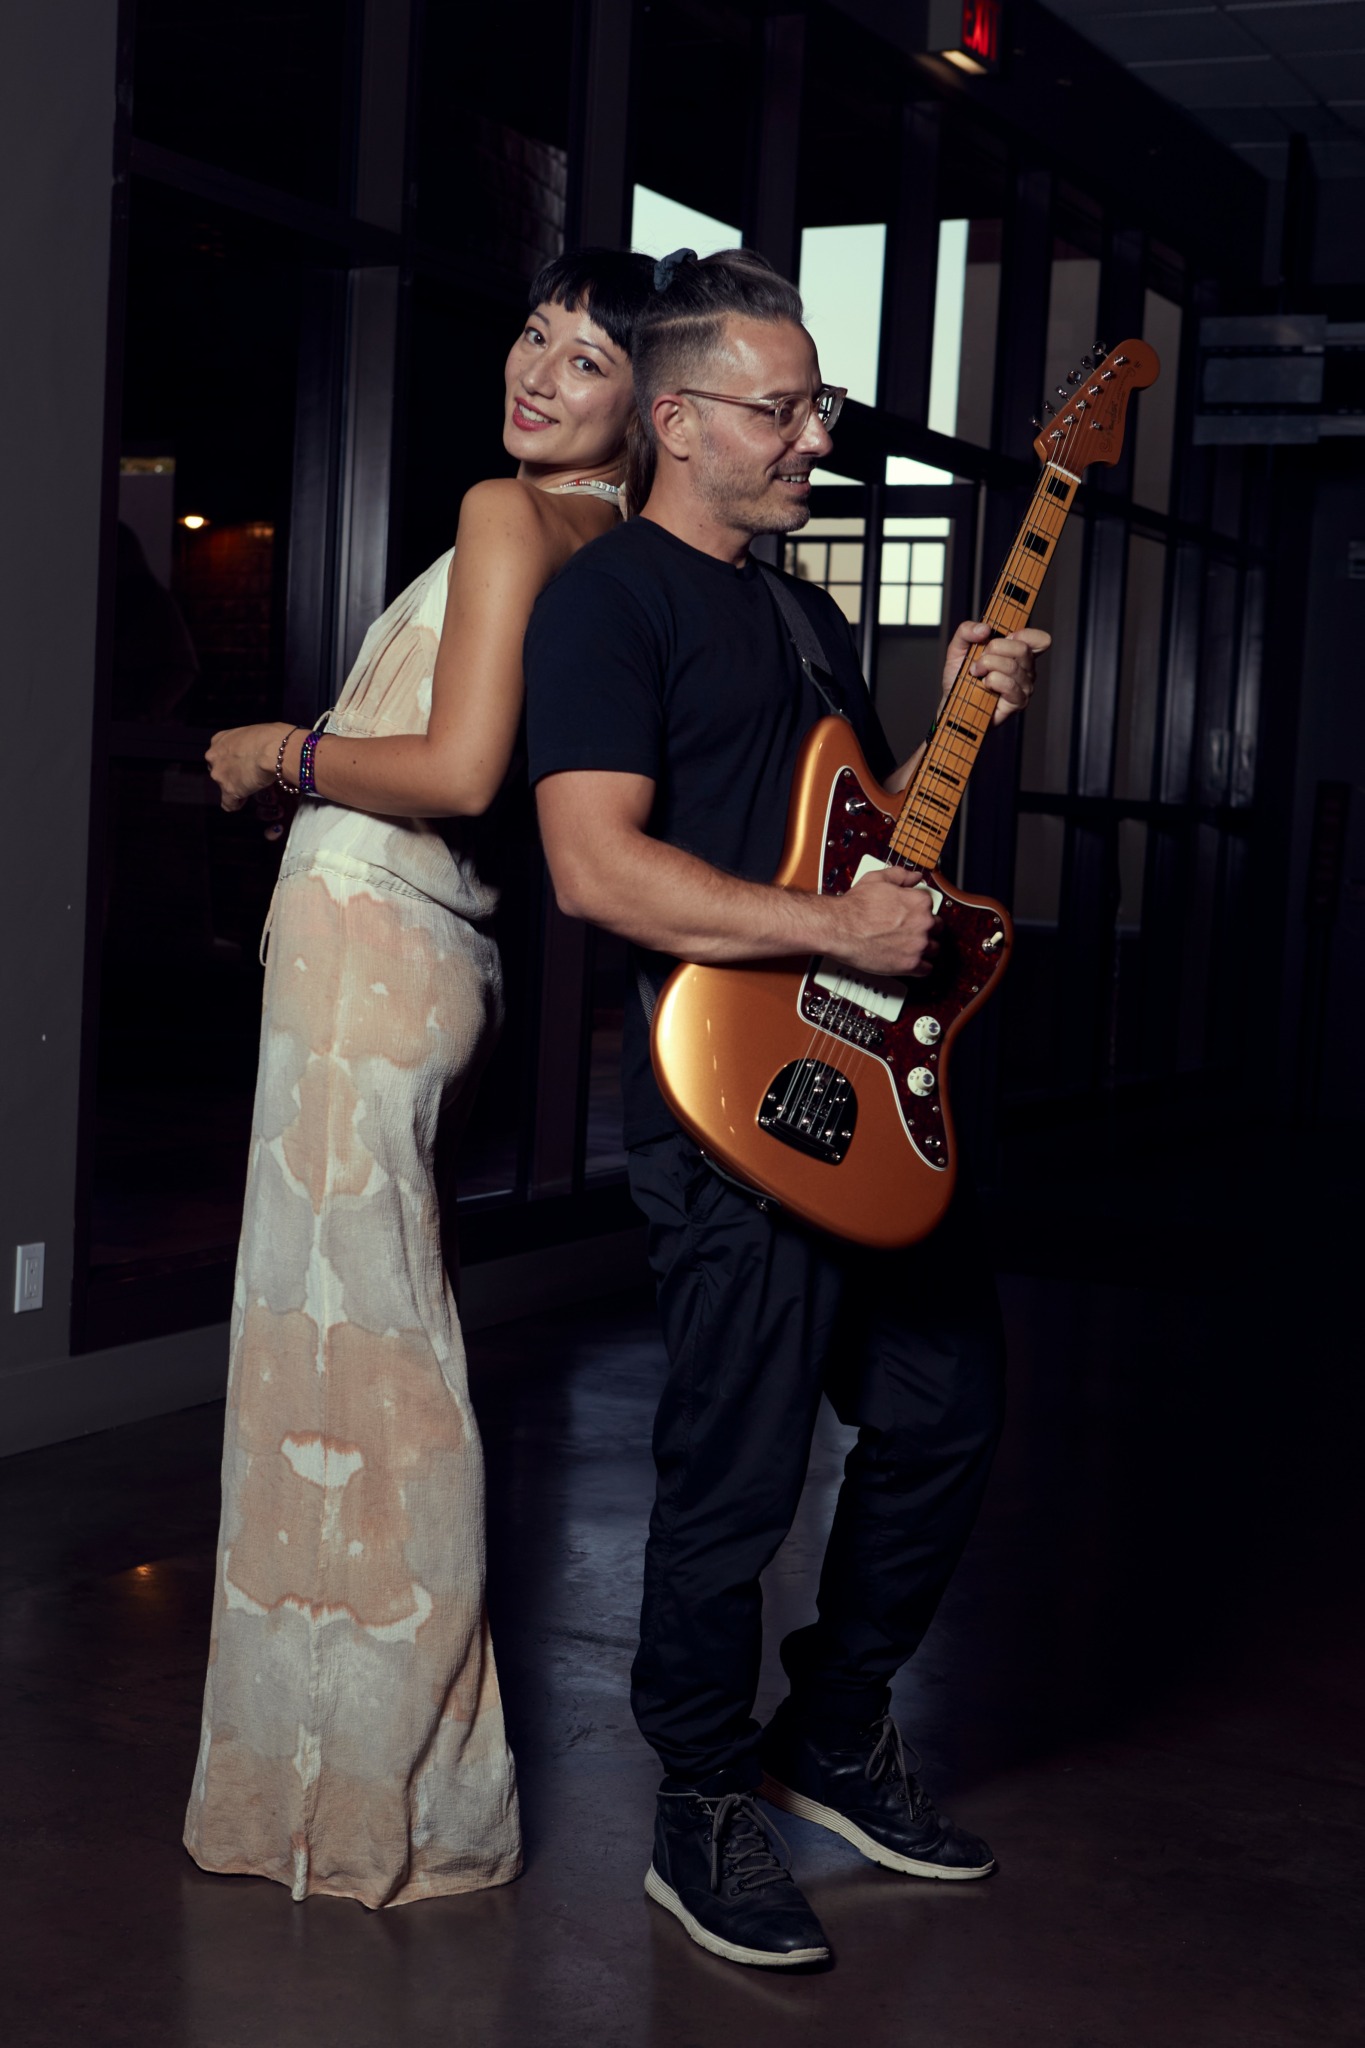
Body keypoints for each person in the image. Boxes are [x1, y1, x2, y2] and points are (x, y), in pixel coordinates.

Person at [526, 248, 1049, 1969]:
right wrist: (832, 932)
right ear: (677, 421)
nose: (814, 435)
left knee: (946, 1412)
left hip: (865, 1093)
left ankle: (829, 1732)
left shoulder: (802, 611)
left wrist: (959, 715)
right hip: (728, 1106)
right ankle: (697, 1805)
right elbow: (594, 867)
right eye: (784, 408)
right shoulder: (610, 604)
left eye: (817, 405)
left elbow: (859, 845)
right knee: (735, 1475)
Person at [184, 248, 656, 1910]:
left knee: (347, 1363)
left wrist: (281, 751)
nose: (535, 370)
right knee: (373, 1348)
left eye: (585, 359)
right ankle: (358, 1788)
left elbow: (457, 770)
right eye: (533, 334)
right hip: (415, 951)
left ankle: (371, 1800)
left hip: (376, 945)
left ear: (644, 408)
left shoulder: (513, 514)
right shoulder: (608, 543)